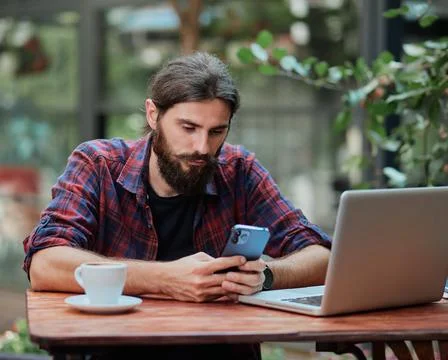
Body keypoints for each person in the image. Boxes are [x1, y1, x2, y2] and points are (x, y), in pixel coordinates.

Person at [23, 52, 332, 359]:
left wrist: (266, 276)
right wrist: (167, 280)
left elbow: (323, 257)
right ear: (153, 115)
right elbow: (45, 264)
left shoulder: (238, 170)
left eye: (216, 132)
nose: (202, 147)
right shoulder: (98, 164)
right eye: (188, 128)